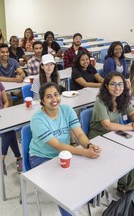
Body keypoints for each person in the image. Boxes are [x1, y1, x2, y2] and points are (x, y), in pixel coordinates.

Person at [29, 82, 101, 216]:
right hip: (42, 157)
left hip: (64, 154)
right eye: (49, 97)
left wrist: (89, 146)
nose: (54, 99)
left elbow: (79, 134)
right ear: (42, 101)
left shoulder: (67, 110)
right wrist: (85, 152)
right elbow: (58, 145)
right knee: (63, 187)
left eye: (56, 94)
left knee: (89, 170)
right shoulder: (37, 120)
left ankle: (84, 196)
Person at [88, 71, 134, 195]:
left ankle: (127, 188)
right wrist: (130, 127)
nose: (117, 88)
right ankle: (122, 184)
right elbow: (107, 125)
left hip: (115, 133)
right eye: (113, 84)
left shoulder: (122, 98)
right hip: (99, 136)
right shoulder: (100, 101)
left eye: (120, 84)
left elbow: (133, 113)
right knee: (124, 155)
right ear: (106, 86)